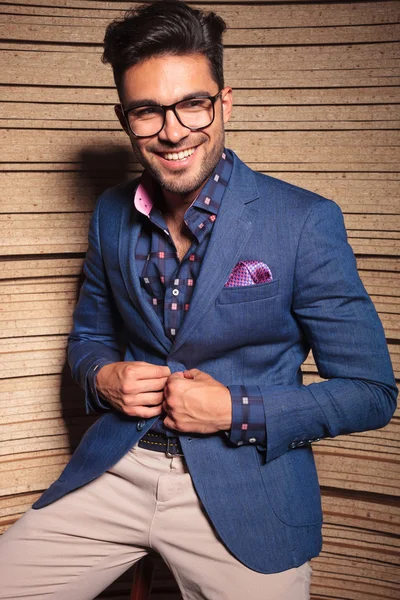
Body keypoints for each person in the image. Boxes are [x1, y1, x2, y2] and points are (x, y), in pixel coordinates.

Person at [0, 1, 397, 599]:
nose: (173, 130)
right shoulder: (111, 213)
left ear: (224, 102)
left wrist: (238, 411)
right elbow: (87, 341)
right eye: (147, 111)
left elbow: (373, 393)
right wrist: (104, 377)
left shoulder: (305, 221)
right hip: (118, 466)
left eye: (192, 103)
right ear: (125, 117)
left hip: (249, 490)